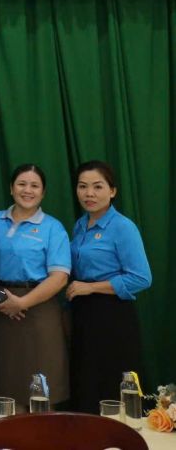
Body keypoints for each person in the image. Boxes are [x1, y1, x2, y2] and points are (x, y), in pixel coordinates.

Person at [67, 160, 152, 414]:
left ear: (112, 191)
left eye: (97, 187)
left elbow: (141, 278)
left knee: (109, 385)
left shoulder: (123, 227)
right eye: (83, 186)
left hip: (112, 315)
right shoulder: (80, 225)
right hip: (83, 314)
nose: (89, 194)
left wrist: (91, 288)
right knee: (85, 382)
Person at [0, 164, 71, 409]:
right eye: (22, 184)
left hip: (39, 311)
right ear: (11, 188)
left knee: (41, 392)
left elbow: (59, 277)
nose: (27, 190)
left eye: (35, 186)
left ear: (43, 193)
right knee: (4, 391)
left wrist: (21, 303)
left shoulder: (53, 228)